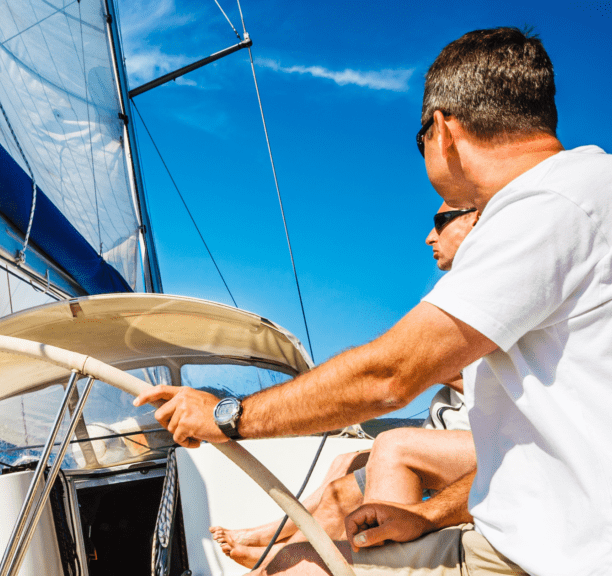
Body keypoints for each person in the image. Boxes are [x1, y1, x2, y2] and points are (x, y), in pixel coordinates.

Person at [135, 26, 612, 576]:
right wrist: (429, 516)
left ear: (443, 130)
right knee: (298, 562)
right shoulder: (586, 189)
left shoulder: (547, 206)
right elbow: (532, 455)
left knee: (293, 569)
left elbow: (389, 376)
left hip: (561, 559)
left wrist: (226, 415)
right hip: (537, 541)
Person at [210, 203, 477, 569]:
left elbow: (389, 377)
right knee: (344, 461)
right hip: (455, 440)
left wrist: (234, 417)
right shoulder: (465, 290)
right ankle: (277, 537)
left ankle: (286, 558)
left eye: (440, 222)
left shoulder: (485, 294)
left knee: (360, 475)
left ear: (476, 218)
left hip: (481, 443)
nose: (430, 237)